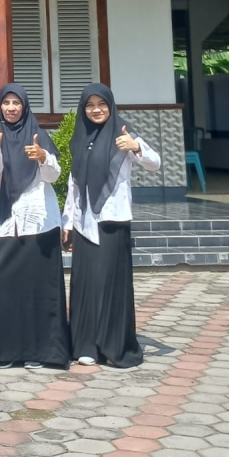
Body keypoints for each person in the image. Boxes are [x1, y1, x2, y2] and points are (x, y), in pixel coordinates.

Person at [62, 82, 161, 368]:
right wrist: (67, 222)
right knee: (84, 284)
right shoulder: (80, 139)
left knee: (110, 284)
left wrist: (136, 146)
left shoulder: (123, 133)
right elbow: (74, 185)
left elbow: (154, 163)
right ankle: (86, 345)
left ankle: (113, 345)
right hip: (83, 222)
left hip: (112, 222)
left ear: (110, 105)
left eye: (101, 104)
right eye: (90, 105)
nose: (96, 110)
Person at [0, 83, 70, 370]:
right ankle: (6, 351)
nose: (11, 108)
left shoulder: (38, 135)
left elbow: (54, 175)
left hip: (39, 224)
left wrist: (43, 158)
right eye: (6, 103)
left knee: (40, 291)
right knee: (3, 286)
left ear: (24, 106)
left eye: (16, 103)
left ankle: (42, 352)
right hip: (8, 224)